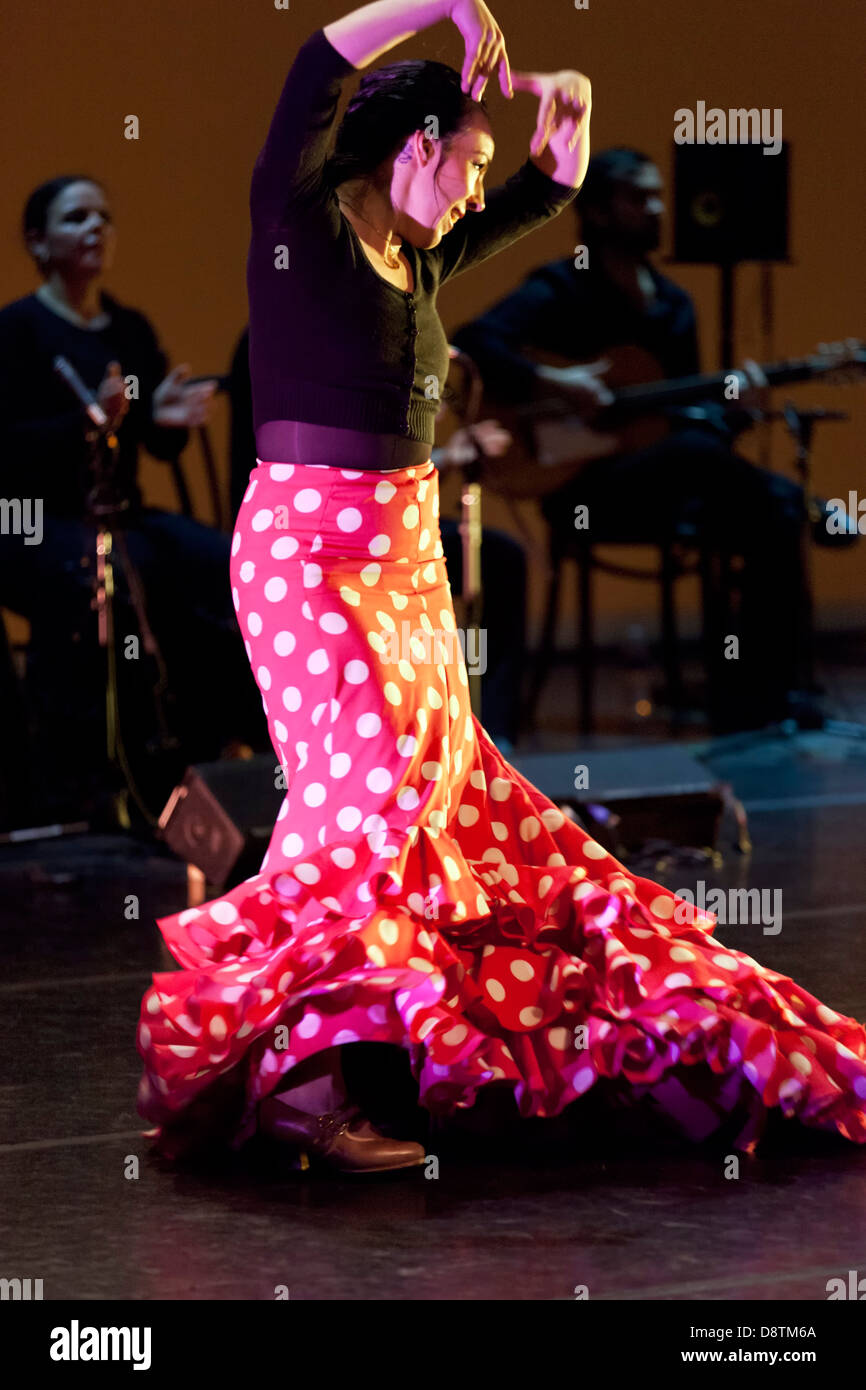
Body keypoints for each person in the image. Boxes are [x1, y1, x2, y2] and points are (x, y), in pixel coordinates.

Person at [136, 0, 866, 1173]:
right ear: (414, 146)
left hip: (407, 566)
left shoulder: (416, 251)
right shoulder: (302, 221)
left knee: (421, 816)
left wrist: (559, 131)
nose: (477, 195)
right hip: (309, 561)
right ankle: (323, 1096)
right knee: (365, 803)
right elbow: (316, 60)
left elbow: (540, 193)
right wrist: (453, 8)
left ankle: (335, 1068)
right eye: (465, 165)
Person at [452, 147, 857, 731]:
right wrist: (553, 381)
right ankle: (807, 516)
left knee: (771, 513)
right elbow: (475, 340)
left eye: (658, 195)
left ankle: (757, 702)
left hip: (668, 482)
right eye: (638, 196)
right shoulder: (562, 288)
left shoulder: (674, 306)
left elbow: (691, 417)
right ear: (596, 211)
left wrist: (739, 412)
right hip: (584, 487)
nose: (657, 208)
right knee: (711, 465)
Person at [0, 176, 270, 821]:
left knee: (232, 563)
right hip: (37, 521)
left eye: (104, 217)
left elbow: (148, 435)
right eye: (76, 218)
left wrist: (165, 421)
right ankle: (113, 768)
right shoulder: (16, 331)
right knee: (119, 575)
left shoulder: (127, 328)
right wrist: (88, 422)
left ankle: (222, 742)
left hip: (122, 515)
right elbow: (8, 452)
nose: (96, 228)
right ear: (39, 242)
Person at [228, 324, 527, 747]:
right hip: (308, 533)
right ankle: (388, 738)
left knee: (498, 559)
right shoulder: (283, 336)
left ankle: (490, 736)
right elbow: (339, 456)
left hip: (375, 519)